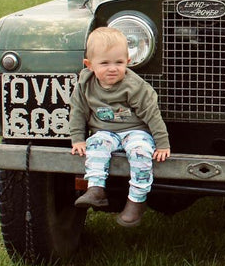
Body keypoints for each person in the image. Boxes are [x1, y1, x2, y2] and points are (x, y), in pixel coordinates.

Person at [70, 27, 170, 227]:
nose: (112, 68)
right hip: (105, 131)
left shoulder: (134, 86)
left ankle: (137, 199)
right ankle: (96, 189)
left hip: (135, 130)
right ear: (89, 65)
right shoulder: (85, 84)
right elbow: (78, 111)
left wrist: (162, 144)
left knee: (140, 152)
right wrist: (78, 139)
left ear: (128, 61)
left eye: (119, 62)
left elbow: (151, 114)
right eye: (104, 63)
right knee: (95, 145)